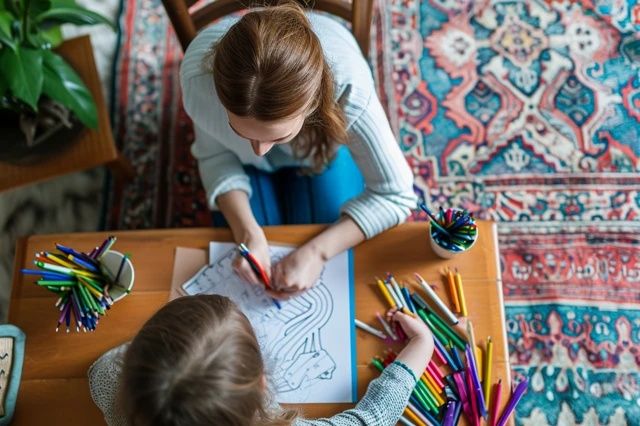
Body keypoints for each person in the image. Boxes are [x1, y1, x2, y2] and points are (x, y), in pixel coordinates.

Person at [181, 2, 416, 297]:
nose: (258, 152)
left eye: (277, 137)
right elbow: (215, 155)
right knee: (252, 260)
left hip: (321, 150)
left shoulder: (351, 91)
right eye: (239, 130)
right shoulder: (197, 80)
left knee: (315, 242)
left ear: (313, 106)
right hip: (290, 149)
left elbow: (396, 195)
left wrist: (318, 252)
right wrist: (248, 232)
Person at [88, 295, 435, 426]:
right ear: (262, 384)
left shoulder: (109, 383)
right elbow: (373, 418)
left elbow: (104, 365)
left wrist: (164, 354)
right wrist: (422, 343)